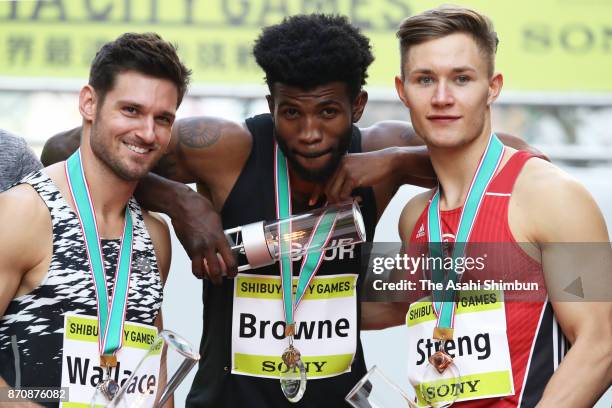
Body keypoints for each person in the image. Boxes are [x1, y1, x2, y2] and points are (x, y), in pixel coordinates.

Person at [42, 15, 538, 407]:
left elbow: (514, 153)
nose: (309, 133)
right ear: (270, 103)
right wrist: (177, 198)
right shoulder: (229, 149)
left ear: (358, 105)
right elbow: (63, 148)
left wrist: (395, 164)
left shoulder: (382, 152)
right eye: (290, 112)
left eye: (328, 111)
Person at [385, 6, 611, 407]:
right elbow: (384, 308)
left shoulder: (549, 195)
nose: (441, 97)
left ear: (492, 87)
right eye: (425, 80)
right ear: (403, 90)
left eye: (461, 79)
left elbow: (601, 346)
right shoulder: (415, 217)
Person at [0, 32, 191, 407]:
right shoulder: (24, 213)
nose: (147, 133)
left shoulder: (154, 235)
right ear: (89, 103)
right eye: (131, 110)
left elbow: (153, 378)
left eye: (163, 118)